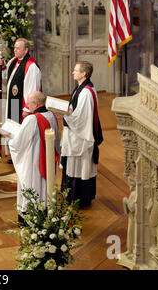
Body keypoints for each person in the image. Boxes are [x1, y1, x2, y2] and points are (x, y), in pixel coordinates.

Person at [7, 91, 60, 223]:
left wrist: (9, 139)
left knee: (32, 186)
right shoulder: (51, 115)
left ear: (35, 104)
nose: (27, 106)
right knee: (43, 188)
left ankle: (30, 217)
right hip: (46, 159)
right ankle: (45, 211)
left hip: (33, 161)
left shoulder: (31, 119)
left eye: (28, 103)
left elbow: (19, 143)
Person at [59, 61, 103, 208]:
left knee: (78, 166)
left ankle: (78, 198)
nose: (73, 72)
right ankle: (70, 195)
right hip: (74, 134)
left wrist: (64, 117)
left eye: (76, 70)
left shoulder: (86, 92)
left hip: (80, 137)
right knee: (73, 166)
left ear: (84, 74)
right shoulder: (81, 87)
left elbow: (81, 118)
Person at [0, 38, 42, 125]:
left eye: (18, 48)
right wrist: (2, 66)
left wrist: (27, 109)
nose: (15, 50)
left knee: (20, 131)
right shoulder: (14, 61)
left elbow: (33, 89)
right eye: (14, 48)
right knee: (13, 128)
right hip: (14, 101)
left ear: (26, 50)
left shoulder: (31, 67)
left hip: (22, 105)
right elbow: (5, 75)